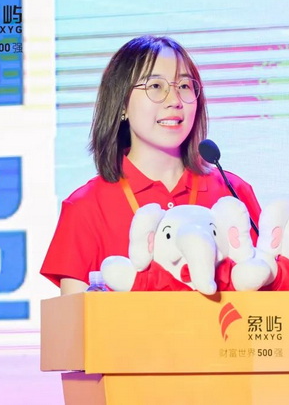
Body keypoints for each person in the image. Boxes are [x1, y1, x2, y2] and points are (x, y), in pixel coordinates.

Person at [40, 35, 261, 294]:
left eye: (184, 86)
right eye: (155, 86)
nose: (174, 100)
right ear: (121, 104)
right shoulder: (86, 207)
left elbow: (272, 292)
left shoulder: (232, 192)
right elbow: (75, 316)